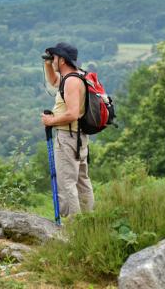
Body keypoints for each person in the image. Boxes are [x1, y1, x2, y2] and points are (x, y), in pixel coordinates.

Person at [40, 42, 94, 217]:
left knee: (66, 183)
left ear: (62, 60)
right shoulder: (77, 75)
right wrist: (48, 64)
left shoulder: (71, 81)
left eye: (54, 57)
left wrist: (51, 121)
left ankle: (73, 227)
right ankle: (89, 221)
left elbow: (72, 114)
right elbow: (55, 81)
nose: (53, 60)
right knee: (82, 181)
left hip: (67, 136)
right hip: (79, 136)